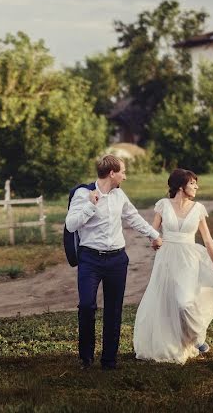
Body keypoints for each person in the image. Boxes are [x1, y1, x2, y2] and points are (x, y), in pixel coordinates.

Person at [132, 168, 213, 364]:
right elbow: (153, 230)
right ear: (180, 185)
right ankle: (169, 344)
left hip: (188, 258)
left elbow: (208, 240)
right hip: (166, 257)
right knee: (165, 300)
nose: (196, 186)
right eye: (193, 183)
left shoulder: (198, 209)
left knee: (184, 302)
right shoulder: (163, 205)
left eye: (196, 183)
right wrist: (154, 240)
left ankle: (197, 338)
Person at [65, 155, 163, 370]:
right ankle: (86, 357)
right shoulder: (83, 194)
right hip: (90, 259)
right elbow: (71, 225)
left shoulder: (119, 195)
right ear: (112, 173)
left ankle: (109, 360)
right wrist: (91, 206)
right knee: (87, 306)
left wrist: (154, 235)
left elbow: (133, 217)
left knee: (114, 309)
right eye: (123, 172)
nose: (124, 176)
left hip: (117, 259)